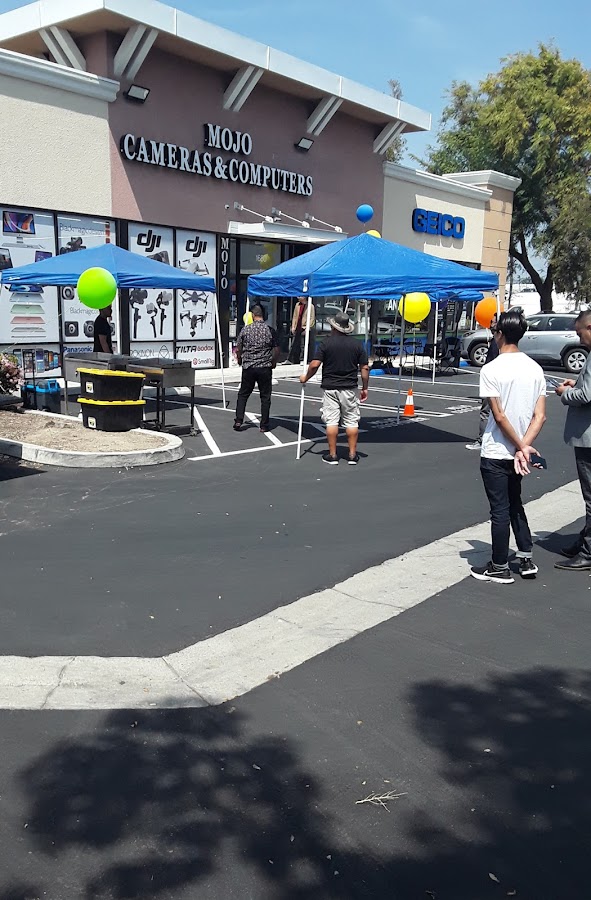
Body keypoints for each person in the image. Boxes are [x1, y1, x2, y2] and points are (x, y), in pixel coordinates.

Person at [470, 309, 546, 584]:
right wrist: (524, 447)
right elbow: (540, 416)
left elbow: (499, 416)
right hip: (519, 453)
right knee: (515, 504)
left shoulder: (491, 369)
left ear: (499, 334)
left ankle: (499, 565)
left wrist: (518, 447)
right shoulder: (535, 368)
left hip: (497, 451)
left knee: (499, 510)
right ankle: (525, 558)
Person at [299, 310, 369, 465]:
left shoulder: (326, 343)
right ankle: (352, 455)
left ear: (333, 327)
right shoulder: (357, 345)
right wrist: (365, 387)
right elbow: (364, 368)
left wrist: (305, 377)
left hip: (330, 386)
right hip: (349, 387)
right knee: (351, 421)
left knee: (331, 421)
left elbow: (315, 364)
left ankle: (332, 455)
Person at [554, 309, 591, 571]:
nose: (579, 340)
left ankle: (588, 551)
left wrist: (565, 393)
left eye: (580, 334)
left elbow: (586, 396)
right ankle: (584, 540)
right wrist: (577, 384)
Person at [234, 305, 280, 433]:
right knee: (265, 396)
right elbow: (276, 349)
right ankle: (264, 425)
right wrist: (273, 362)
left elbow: (239, 347)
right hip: (264, 367)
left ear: (253, 315)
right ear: (263, 315)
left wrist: (239, 359)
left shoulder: (245, 330)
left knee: (243, 394)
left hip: (249, 366)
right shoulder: (269, 330)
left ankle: (238, 420)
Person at [466, 313, 499, 450]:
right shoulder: (496, 341)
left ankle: (482, 441)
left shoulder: (497, 343)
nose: (491, 325)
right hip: (495, 381)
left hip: (493, 382)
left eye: (493, 322)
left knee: (487, 412)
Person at [285, 297, 315, 364]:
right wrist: (293, 326)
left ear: (304, 297)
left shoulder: (310, 306)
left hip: (304, 327)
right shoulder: (297, 305)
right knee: (293, 344)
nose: (298, 297)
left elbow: (312, 318)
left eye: (300, 296)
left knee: (303, 344)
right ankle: (289, 359)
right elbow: (295, 316)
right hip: (297, 327)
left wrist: (307, 328)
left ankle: (302, 359)